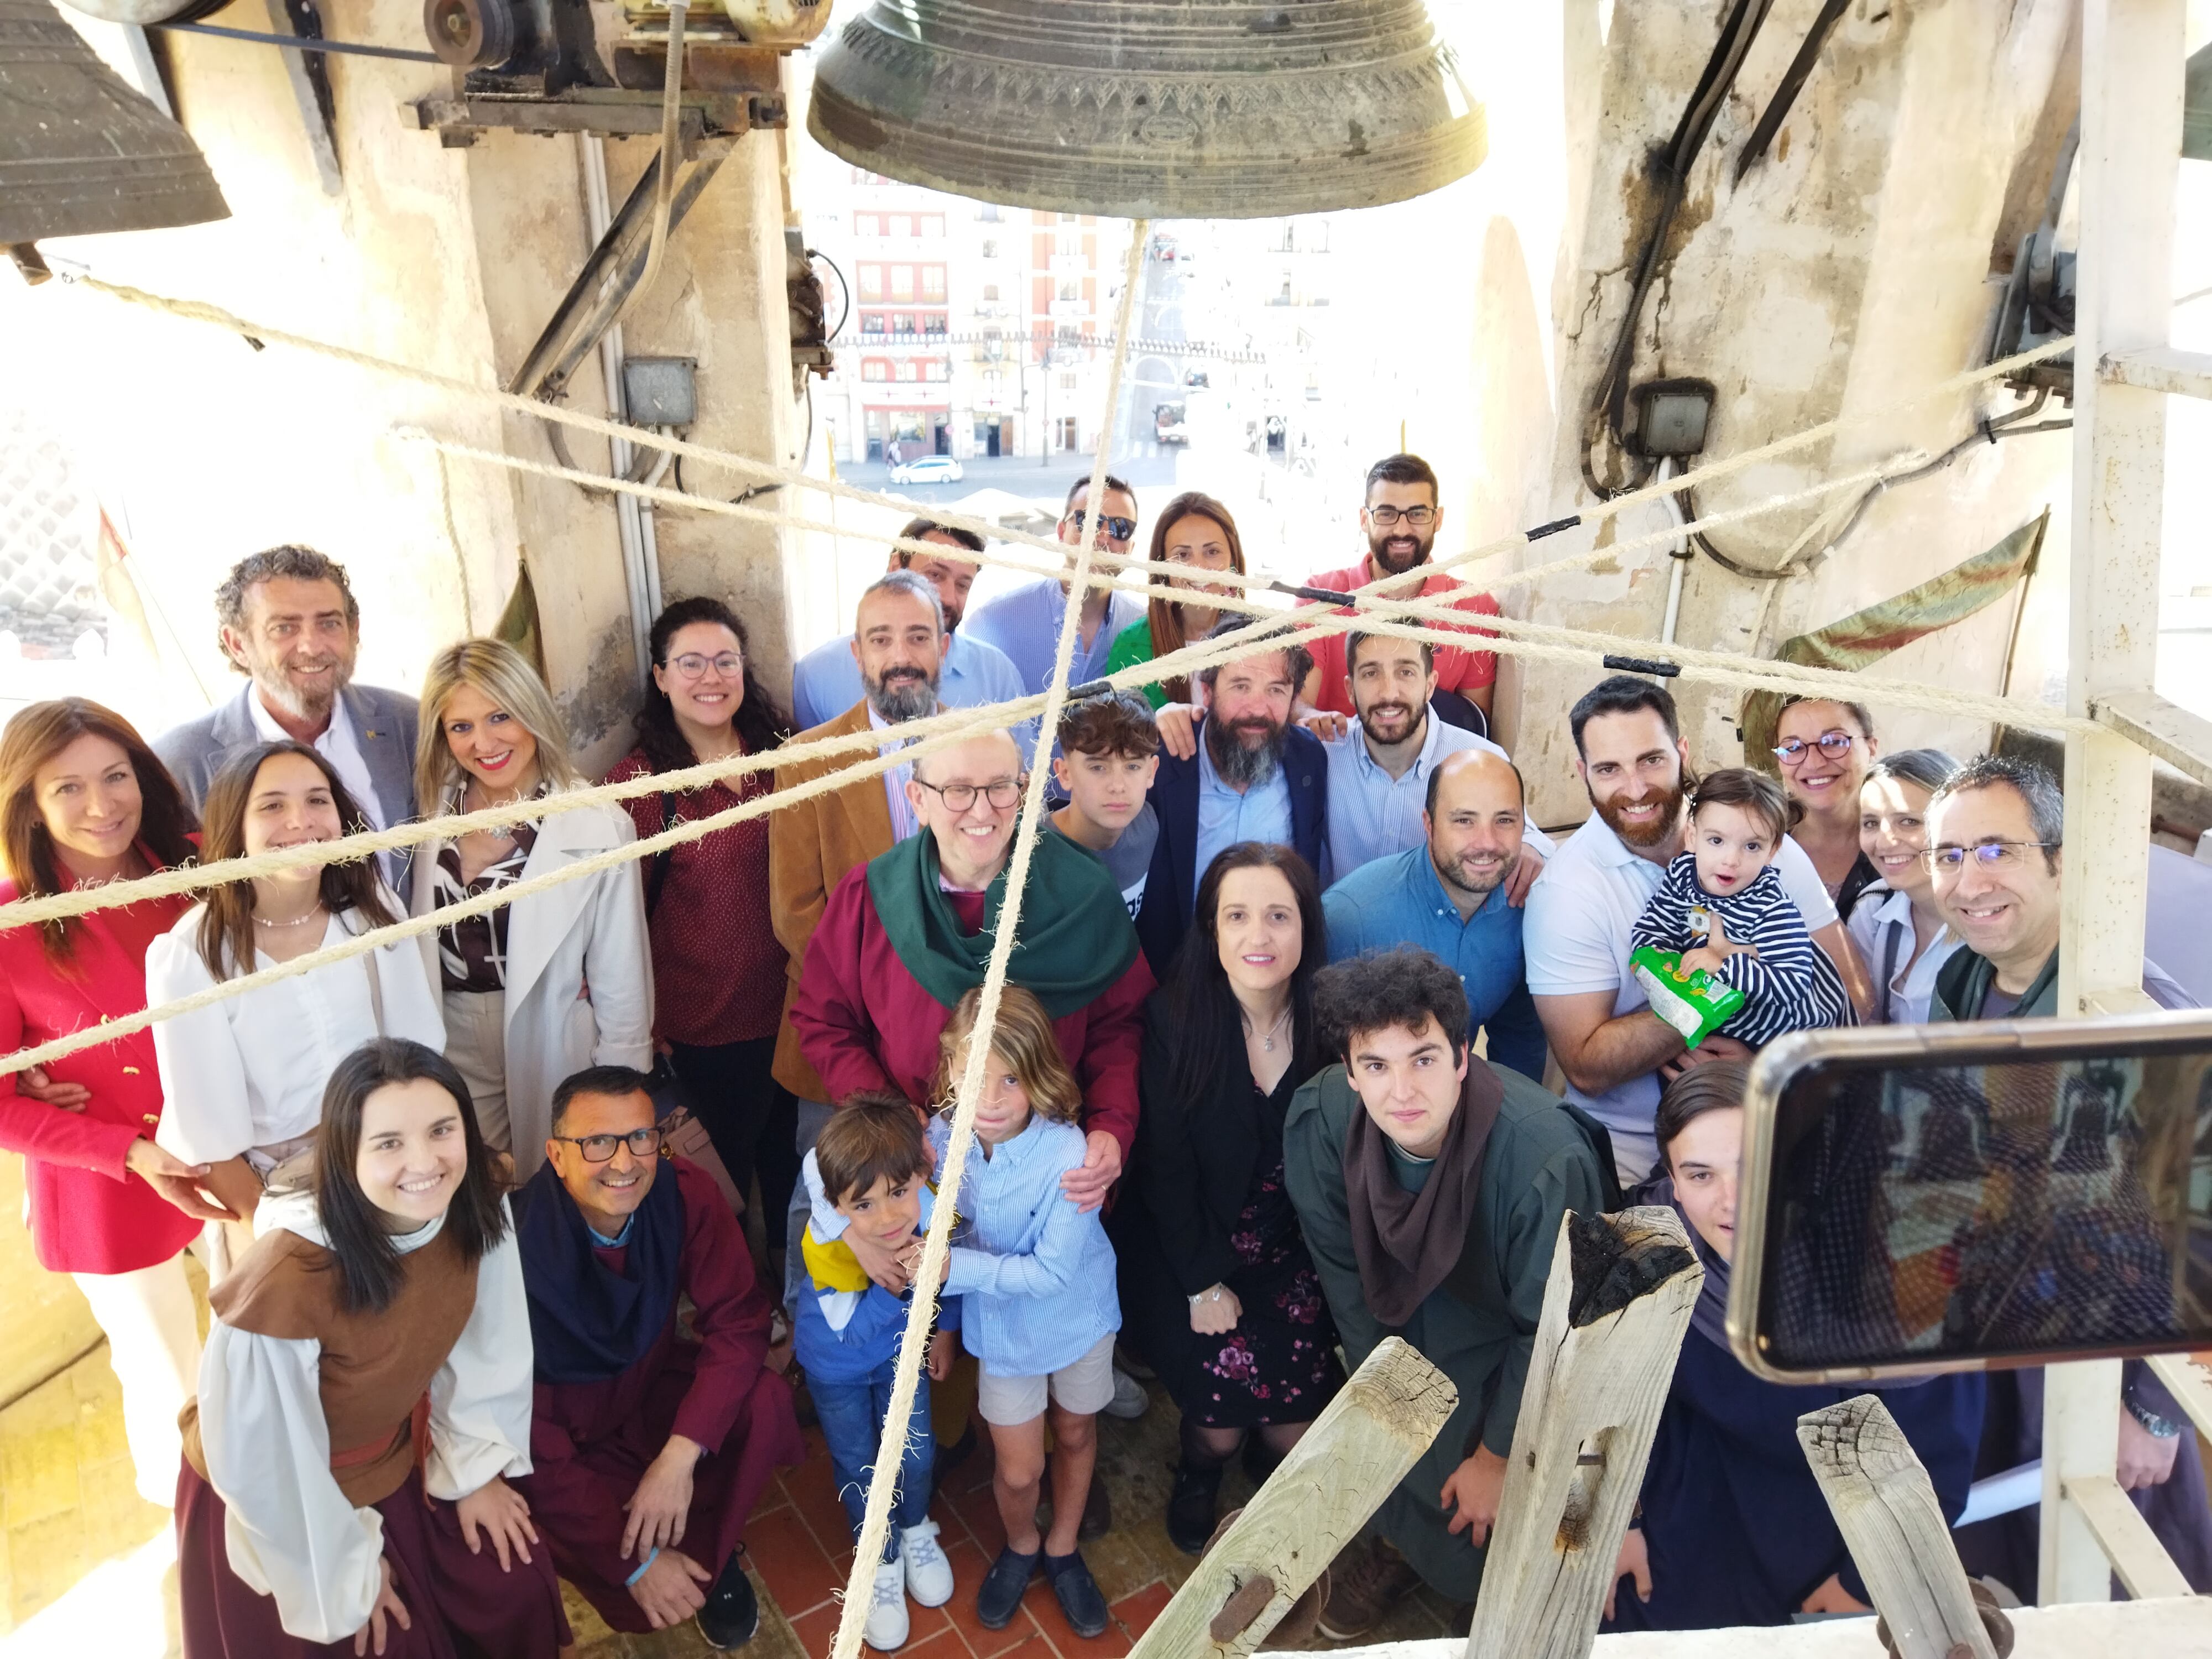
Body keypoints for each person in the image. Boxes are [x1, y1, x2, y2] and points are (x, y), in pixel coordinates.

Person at [174, 1037, 569, 1656]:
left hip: (392, 1456)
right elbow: (263, 1465)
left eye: (442, 1131)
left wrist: (473, 1470)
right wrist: (343, 1574)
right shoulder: (289, 1279)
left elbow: (486, 1337)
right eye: (388, 1143)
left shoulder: (472, 1197)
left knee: (510, 1585)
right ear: (345, 1156)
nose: (425, 1163)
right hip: (287, 1505)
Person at [1921, 754, 2211, 1595]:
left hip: (2105, 1366)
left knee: (2114, 1586)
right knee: (2006, 1589)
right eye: (1950, 855)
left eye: (1997, 851)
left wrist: (2156, 1407)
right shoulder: (1961, 986)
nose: (1969, 879)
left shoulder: (2136, 1016)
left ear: (2060, 860)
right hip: (1990, 1344)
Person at [1284, 947, 1611, 1637]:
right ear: (1349, 1071)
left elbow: (1554, 1333)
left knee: (1493, 1481)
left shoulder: (1542, 1160)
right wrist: (1384, 1394)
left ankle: (1491, 1582)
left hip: (1506, 1344)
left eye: (1424, 1058)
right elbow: (1341, 1271)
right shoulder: (1321, 1121)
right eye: (1375, 1065)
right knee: (1398, 1444)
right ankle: (1403, 1550)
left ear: (1463, 1056)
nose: (1401, 1091)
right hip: (1395, 1321)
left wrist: (1496, 1457)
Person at [1604, 1063, 1983, 1632]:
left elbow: (1937, 1457)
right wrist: (1622, 1519)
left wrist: (1862, 1580)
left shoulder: (1888, 1281)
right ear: (1674, 1183)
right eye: (1701, 1176)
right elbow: (1619, 1396)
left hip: (1833, 1517)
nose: (1731, 1201)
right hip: (1695, 1494)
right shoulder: (1650, 1245)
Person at [0, 700, 223, 1505]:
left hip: (231, 1154)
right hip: (105, 1190)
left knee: (262, 1344)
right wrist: (125, 1151)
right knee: (170, 1378)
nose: (102, 807)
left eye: (115, 777)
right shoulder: (10, 924)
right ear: (27, 804)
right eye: (68, 789)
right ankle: (195, 1538)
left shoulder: (199, 868)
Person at [1525, 675, 1868, 1182]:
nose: (1636, 788)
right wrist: (1713, 997)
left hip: (1774, 1120)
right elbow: (1587, 1067)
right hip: (1633, 1150)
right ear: (1583, 773)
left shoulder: (1756, 839)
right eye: (1609, 769)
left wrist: (1765, 1063)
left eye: (1651, 760)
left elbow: (1853, 991)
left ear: (1682, 752)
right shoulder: (1566, 892)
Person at [513, 1065, 803, 1648]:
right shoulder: (510, 1246)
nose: (625, 1163)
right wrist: (636, 1567)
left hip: (646, 1393)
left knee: (763, 1400)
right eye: (597, 1142)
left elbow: (739, 1321)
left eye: (641, 1138)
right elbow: (521, 1433)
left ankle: (708, 1556)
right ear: (557, 1154)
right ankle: (651, 1558)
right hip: (557, 1433)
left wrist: (679, 1456)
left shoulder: (681, 1193)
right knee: (539, 1518)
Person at [1114, 843, 1343, 1556]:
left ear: (1305, 926)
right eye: (1236, 916)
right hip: (1196, 1252)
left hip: (1292, 1253)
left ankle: (1263, 1468)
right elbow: (1165, 1174)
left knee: (1292, 1434)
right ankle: (1199, 1472)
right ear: (1210, 928)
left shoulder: (1331, 1021)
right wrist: (1201, 1282)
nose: (1258, 937)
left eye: (1278, 916)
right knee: (1216, 1429)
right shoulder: (1174, 1022)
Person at [149, 742, 444, 1259]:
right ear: (234, 825)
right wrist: (280, 1240)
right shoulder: (193, 955)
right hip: (280, 1193)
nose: (301, 821)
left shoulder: (370, 912)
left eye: (317, 800)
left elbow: (420, 1053)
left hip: (394, 1163)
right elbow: (212, 1143)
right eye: (272, 806)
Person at [770, 571, 960, 1296]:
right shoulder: (808, 761)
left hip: (949, 1040)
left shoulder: (979, 745)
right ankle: (806, 1334)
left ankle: (938, 1361)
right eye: (882, 639)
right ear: (857, 653)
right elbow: (795, 913)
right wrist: (885, 1006)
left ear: (944, 646)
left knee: (938, 1206)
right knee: (820, 1205)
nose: (900, 654)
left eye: (917, 636)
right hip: (837, 1035)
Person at [409, 638, 653, 1175]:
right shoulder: (430, 813)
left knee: (553, 1186)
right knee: (473, 1187)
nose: (485, 742)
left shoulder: (599, 824)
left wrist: (625, 1082)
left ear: (533, 713)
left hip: (550, 1032)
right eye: (461, 727)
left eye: (501, 716)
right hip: (448, 1033)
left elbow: (621, 972)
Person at [931, 987, 1121, 1641]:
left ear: (1038, 1074)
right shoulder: (938, 1139)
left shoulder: (1067, 1154)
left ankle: (1063, 1546)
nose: (988, 1098)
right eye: (971, 1073)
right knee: (1017, 1468)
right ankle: (1020, 1543)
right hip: (1005, 1332)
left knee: (1073, 1432)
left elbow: (1051, 1272)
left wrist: (959, 1271)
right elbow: (942, 1232)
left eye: (1009, 1078)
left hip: (1077, 1317)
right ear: (949, 1065)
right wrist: (949, 1320)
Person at [606, 598, 797, 1228]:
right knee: (720, 1192)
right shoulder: (639, 788)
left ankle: (792, 1294)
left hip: (797, 1014)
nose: (711, 678)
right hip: (701, 1029)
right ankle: (743, 1309)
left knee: (795, 1175)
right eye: (690, 663)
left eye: (725, 662)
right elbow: (609, 923)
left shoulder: (783, 759)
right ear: (660, 677)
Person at [794, 1096, 961, 1652]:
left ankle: (914, 1528)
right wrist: (907, 1289)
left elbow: (948, 1280)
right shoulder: (825, 1247)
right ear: (837, 1206)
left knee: (915, 1452)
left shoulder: (931, 1208)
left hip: (902, 1354)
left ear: (922, 1173)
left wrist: (943, 1328)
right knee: (860, 1464)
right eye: (862, 1205)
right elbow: (853, 1332)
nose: (888, 1218)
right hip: (839, 1366)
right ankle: (879, 1560)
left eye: (897, 1193)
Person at [153, 546, 418, 885]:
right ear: (237, 645)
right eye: (284, 628)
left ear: (354, 631)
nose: (311, 646)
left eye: (329, 623)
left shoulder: (407, 724)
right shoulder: (182, 763)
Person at [1322, 749, 1549, 1081]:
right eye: (1463, 821)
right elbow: (1319, 1060)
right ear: (1428, 824)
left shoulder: (1528, 910)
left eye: (1504, 820)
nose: (1486, 842)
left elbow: (1520, 1040)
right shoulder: (1350, 917)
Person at [1135, 622, 1327, 979]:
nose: (1258, 708)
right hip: (1174, 979)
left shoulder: (1309, 760)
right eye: (1241, 686)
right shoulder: (1163, 758)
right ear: (1207, 692)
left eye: (1276, 690)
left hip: (1274, 980)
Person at [1626, 768, 1853, 1045]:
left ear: (1772, 851)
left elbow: (1793, 981)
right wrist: (1653, 949)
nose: (1731, 860)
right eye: (1717, 841)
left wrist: (1722, 967)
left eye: (1752, 847)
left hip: (1780, 1038)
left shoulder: (1771, 907)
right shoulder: (1681, 876)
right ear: (1692, 837)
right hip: (1715, 1019)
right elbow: (1657, 921)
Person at [1296, 454, 1501, 729]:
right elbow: (1298, 703)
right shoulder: (1319, 595)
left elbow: (1473, 726)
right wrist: (1310, 718)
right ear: (1364, 519)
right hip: (1333, 759)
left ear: (1437, 519)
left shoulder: (1476, 609)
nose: (1401, 529)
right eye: (1386, 514)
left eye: (1417, 514)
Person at [1320, 630, 1544, 881]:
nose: (1389, 694)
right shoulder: (1325, 753)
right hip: (1339, 917)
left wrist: (1530, 848)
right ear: (1351, 689)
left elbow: (1530, 838)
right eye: (1371, 674)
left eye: (1406, 672)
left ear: (1429, 686)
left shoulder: (1482, 758)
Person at [789, 518, 1026, 731]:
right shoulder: (815, 676)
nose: (948, 598)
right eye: (934, 575)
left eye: (963, 585)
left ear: (943, 648)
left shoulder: (997, 675)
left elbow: (1022, 776)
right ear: (895, 568)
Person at [963, 473, 1147, 694]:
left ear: (1131, 548)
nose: (1103, 537)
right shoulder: (994, 621)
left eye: (1121, 528)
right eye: (1088, 521)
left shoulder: (1144, 629)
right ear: (1061, 532)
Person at [1845, 748, 1963, 1024]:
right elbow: (1863, 1020)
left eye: (1909, 822)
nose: (1884, 842)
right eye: (1871, 823)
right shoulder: (1873, 909)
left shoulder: (1990, 918)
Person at [1101, 491, 1248, 708]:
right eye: (1183, 555)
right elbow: (1116, 736)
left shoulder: (1265, 639)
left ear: (1233, 562)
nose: (1198, 568)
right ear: (1163, 571)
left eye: (1212, 551)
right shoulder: (1131, 647)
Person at [1047, 690, 1161, 921]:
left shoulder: (1148, 825)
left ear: (1152, 771)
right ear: (1065, 773)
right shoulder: (1036, 856)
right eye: (1098, 767)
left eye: (1133, 767)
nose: (1118, 786)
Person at [1770, 696, 1881, 918]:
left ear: (1871, 747)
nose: (1814, 763)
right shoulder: (1760, 845)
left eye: (1834, 742)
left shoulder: (1907, 843)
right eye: (1793, 748)